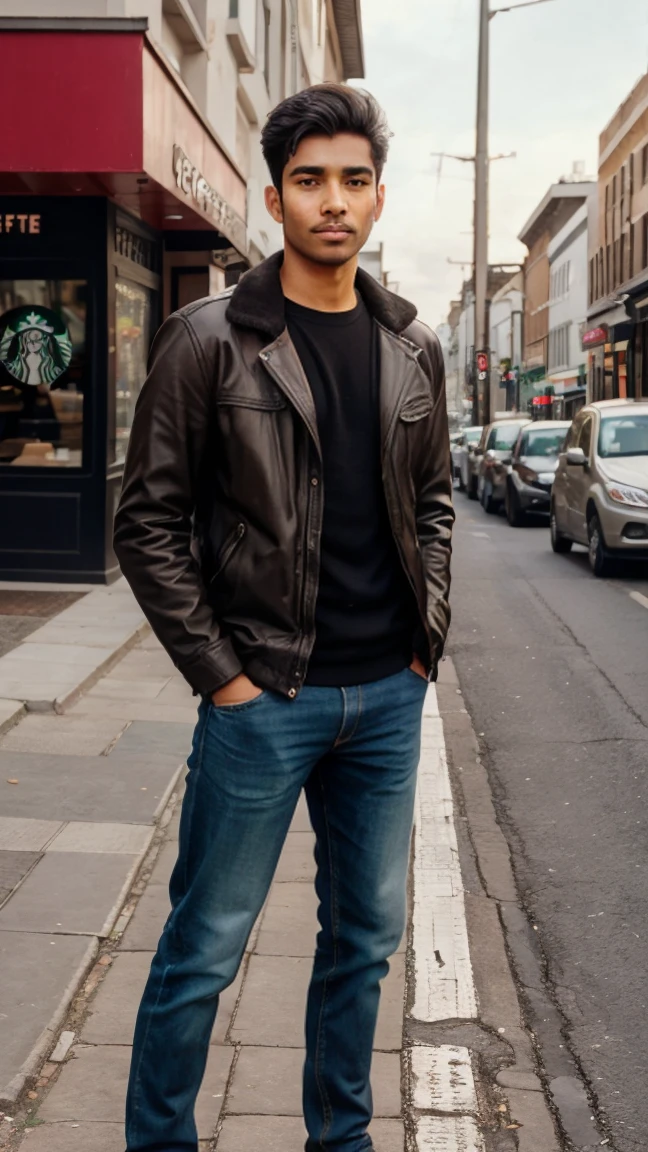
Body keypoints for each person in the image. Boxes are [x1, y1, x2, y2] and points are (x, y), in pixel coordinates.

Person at [114, 83, 454, 1152]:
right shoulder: (210, 339)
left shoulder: (412, 346)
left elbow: (435, 502)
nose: (334, 201)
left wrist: (422, 644)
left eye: (354, 180)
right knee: (206, 946)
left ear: (379, 197)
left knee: (365, 942)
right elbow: (148, 524)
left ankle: (338, 1138)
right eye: (310, 181)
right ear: (275, 197)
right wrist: (223, 677)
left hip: (387, 698)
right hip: (263, 695)